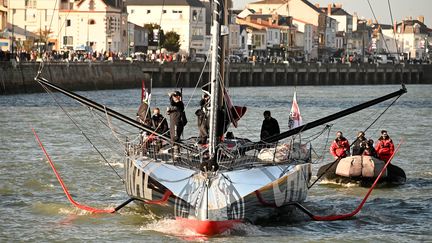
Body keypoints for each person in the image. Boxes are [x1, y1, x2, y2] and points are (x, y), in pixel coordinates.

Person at [167, 91, 187, 158]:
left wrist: (170, 96)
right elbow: (174, 109)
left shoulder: (180, 103)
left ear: (179, 97)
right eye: (173, 96)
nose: (174, 98)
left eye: (175, 96)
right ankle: (176, 154)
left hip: (177, 123)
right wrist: (169, 111)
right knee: (172, 138)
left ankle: (177, 155)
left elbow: (172, 103)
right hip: (172, 123)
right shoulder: (175, 105)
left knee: (175, 138)